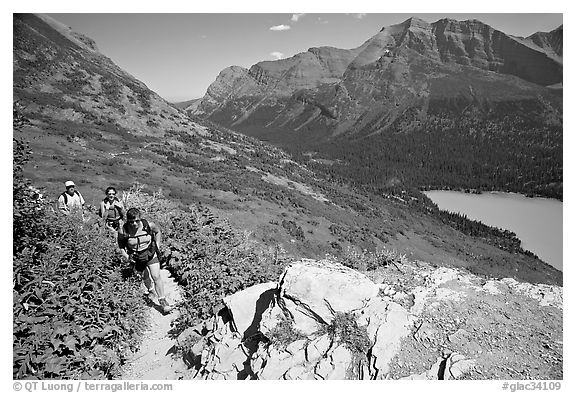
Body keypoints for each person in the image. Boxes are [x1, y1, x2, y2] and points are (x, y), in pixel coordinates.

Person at [117, 208, 172, 313]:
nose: (134, 223)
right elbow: (120, 244)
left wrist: (157, 246)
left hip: (150, 253)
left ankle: (162, 301)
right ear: (127, 220)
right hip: (136, 257)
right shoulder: (123, 231)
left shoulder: (148, 225)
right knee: (145, 276)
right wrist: (125, 255)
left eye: (137, 221)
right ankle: (151, 289)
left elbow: (158, 231)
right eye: (131, 221)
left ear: (140, 219)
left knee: (156, 276)